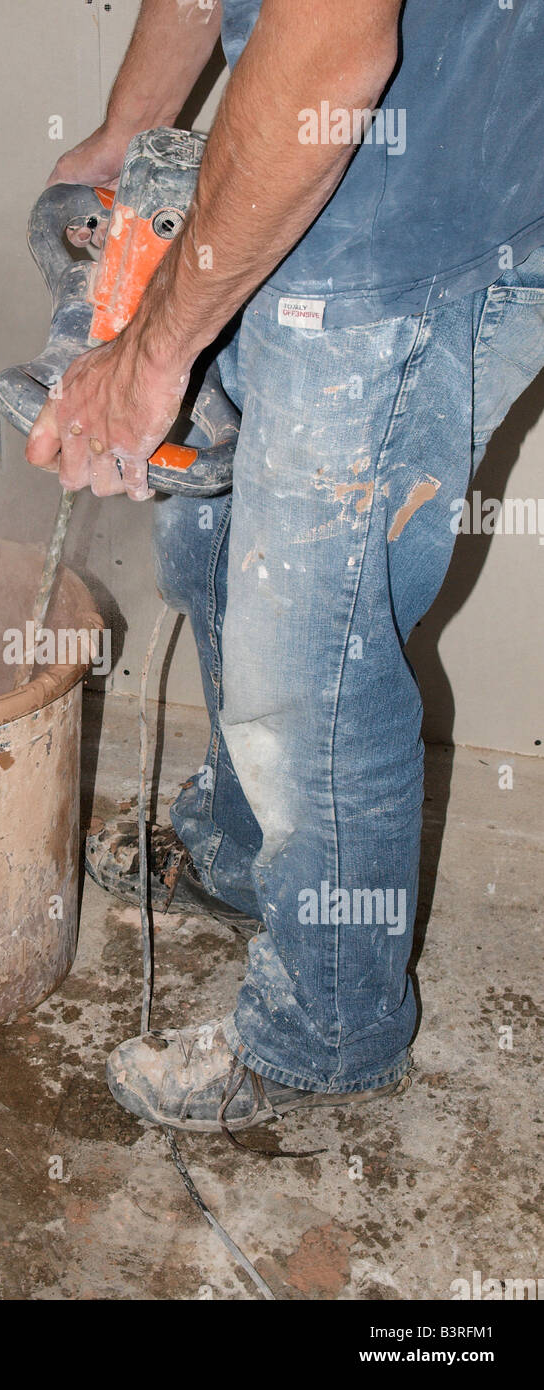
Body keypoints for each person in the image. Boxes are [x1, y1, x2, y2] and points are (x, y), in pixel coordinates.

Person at [28, 0, 544, 1134]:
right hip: (311, 180)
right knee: (211, 540)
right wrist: (126, 130)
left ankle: (330, 1027)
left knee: (310, 658)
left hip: (414, 222)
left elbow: (336, 44)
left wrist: (152, 353)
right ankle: (240, 846)